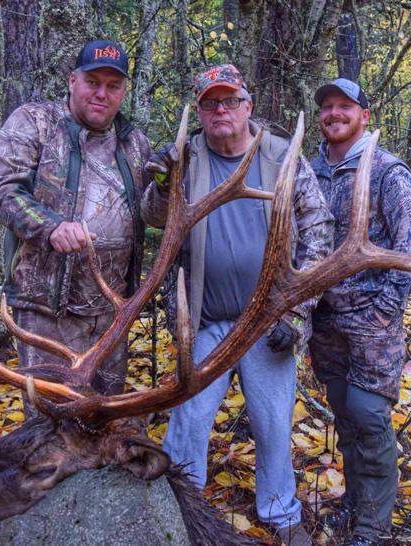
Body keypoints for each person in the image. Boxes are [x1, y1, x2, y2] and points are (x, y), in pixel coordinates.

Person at [141, 64, 333, 546]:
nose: (220, 110)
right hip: (205, 323)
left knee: (272, 422)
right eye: (210, 103)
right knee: (189, 419)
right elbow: (152, 218)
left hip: (269, 322)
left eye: (230, 101)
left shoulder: (281, 155)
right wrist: (163, 184)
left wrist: (296, 310)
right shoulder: (185, 158)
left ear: (248, 105)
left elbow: (318, 229)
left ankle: (281, 512)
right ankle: (180, 507)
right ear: (201, 112)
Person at [0, 40, 151, 400]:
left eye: (113, 85)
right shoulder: (35, 123)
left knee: (103, 416)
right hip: (46, 312)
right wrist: (51, 227)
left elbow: (155, 210)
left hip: (111, 314)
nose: (101, 94)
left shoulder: (135, 144)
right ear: (72, 80)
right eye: (93, 82)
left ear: (123, 91)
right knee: (52, 423)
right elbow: (3, 191)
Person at [308, 78, 411, 546]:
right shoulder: (309, 171)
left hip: (371, 321)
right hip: (324, 322)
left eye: (345, 106)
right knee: (344, 414)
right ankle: (355, 504)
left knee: (368, 415)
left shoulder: (388, 172)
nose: (334, 113)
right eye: (327, 107)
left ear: (365, 114)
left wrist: (382, 313)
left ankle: (373, 526)